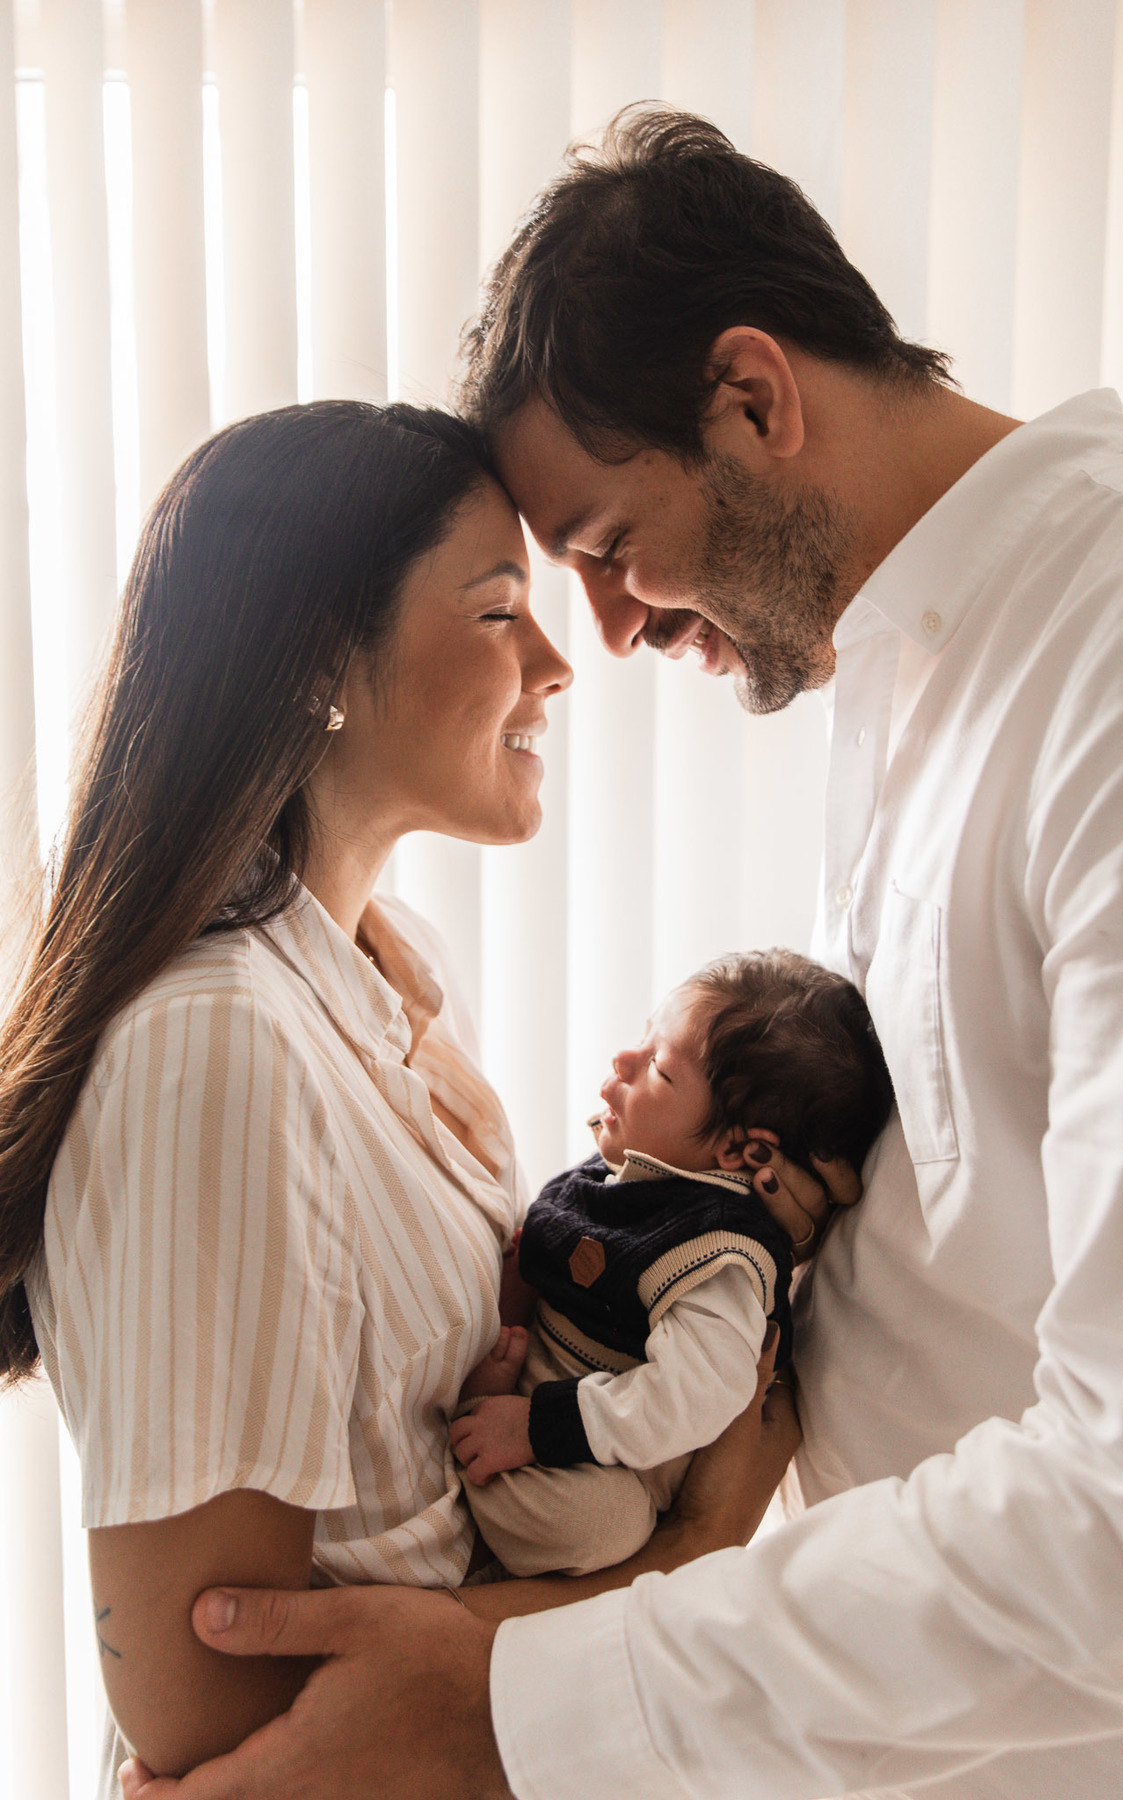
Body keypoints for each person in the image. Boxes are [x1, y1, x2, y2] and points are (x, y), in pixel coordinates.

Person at [120, 106, 1123, 1800]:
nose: (606, 637)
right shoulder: (921, 681)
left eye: (609, 551)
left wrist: (517, 1707)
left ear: (754, 398)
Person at [0, 398, 828, 1791]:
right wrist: (690, 1557)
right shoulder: (219, 1048)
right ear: (323, 656)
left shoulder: (393, 979)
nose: (557, 663)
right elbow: (209, 1705)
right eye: (501, 611)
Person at [452, 950, 893, 1578]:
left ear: (740, 1149)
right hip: (543, 1395)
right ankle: (483, 1434)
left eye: (658, 1069)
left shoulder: (719, 1258)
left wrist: (537, 1426)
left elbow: (691, 1397)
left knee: (602, 1527)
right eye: (643, 1037)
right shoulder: (637, 1173)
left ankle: (477, 1439)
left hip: (607, 1458)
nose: (623, 1061)